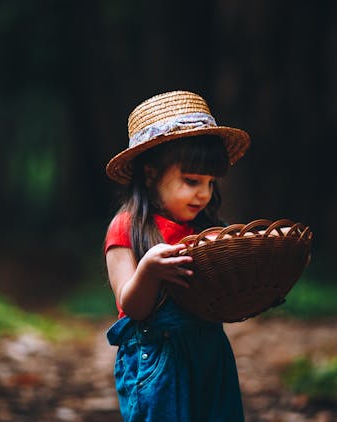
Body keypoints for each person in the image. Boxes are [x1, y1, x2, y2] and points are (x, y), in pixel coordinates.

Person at [103, 90, 251, 421]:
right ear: (150, 174)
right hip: (157, 356)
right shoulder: (126, 227)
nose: (203, 193)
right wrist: (149, 272)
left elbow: (229, 292)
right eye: (191, 180)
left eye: (211, 183)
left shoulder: (209, 229)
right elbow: (132, 306)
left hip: (210, 352)